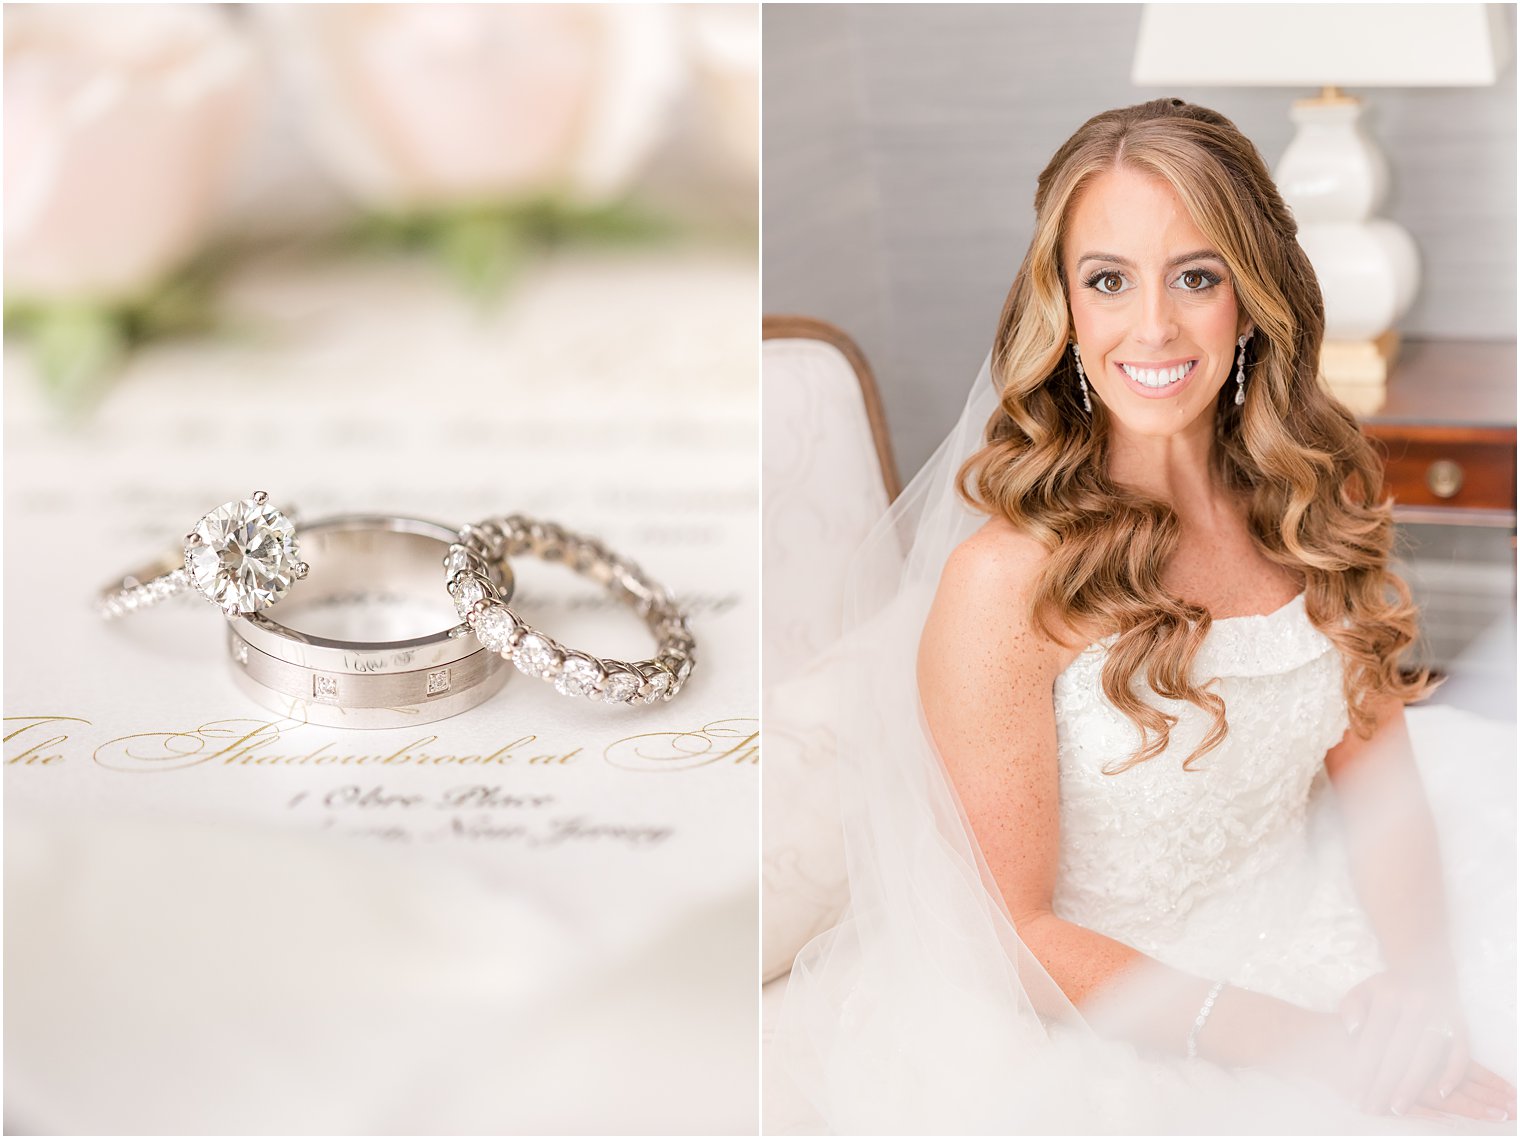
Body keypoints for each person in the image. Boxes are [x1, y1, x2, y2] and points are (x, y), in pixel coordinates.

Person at [772, 99, 1516, 1134]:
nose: (1153, 325)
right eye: (1107, 278)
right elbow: (1017, 932)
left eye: (1195, 276)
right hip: (1109, 1017)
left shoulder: (1311, 500)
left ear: (1251, 300)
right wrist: (1316, 1047)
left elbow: (1377, 772)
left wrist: (1417, 989)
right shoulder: (1005, 581)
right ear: (1064, 305)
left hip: (1316, 914)